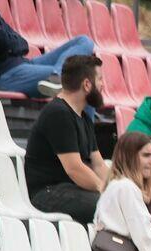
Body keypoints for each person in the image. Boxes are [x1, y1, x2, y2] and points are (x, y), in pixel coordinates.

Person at [0, 0, 94, 98]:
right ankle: (60, 76)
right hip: (3, 75)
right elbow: (3, 41)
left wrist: (15, 45)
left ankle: (58, 74)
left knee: (84, 41)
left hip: (22, 64)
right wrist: (16, 44)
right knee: (82, 78)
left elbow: (20, 42)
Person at [25, 55, 107, 225]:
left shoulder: (84, 117)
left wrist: (117, 190)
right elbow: (74, 169)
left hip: (70, 190)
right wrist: (105, 190)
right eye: (100, 79)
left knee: (122, 203)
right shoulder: (58, 113)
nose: (102, 85)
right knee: (108, 206)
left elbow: (98, 165)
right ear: (87, 84)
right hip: (48, 192)